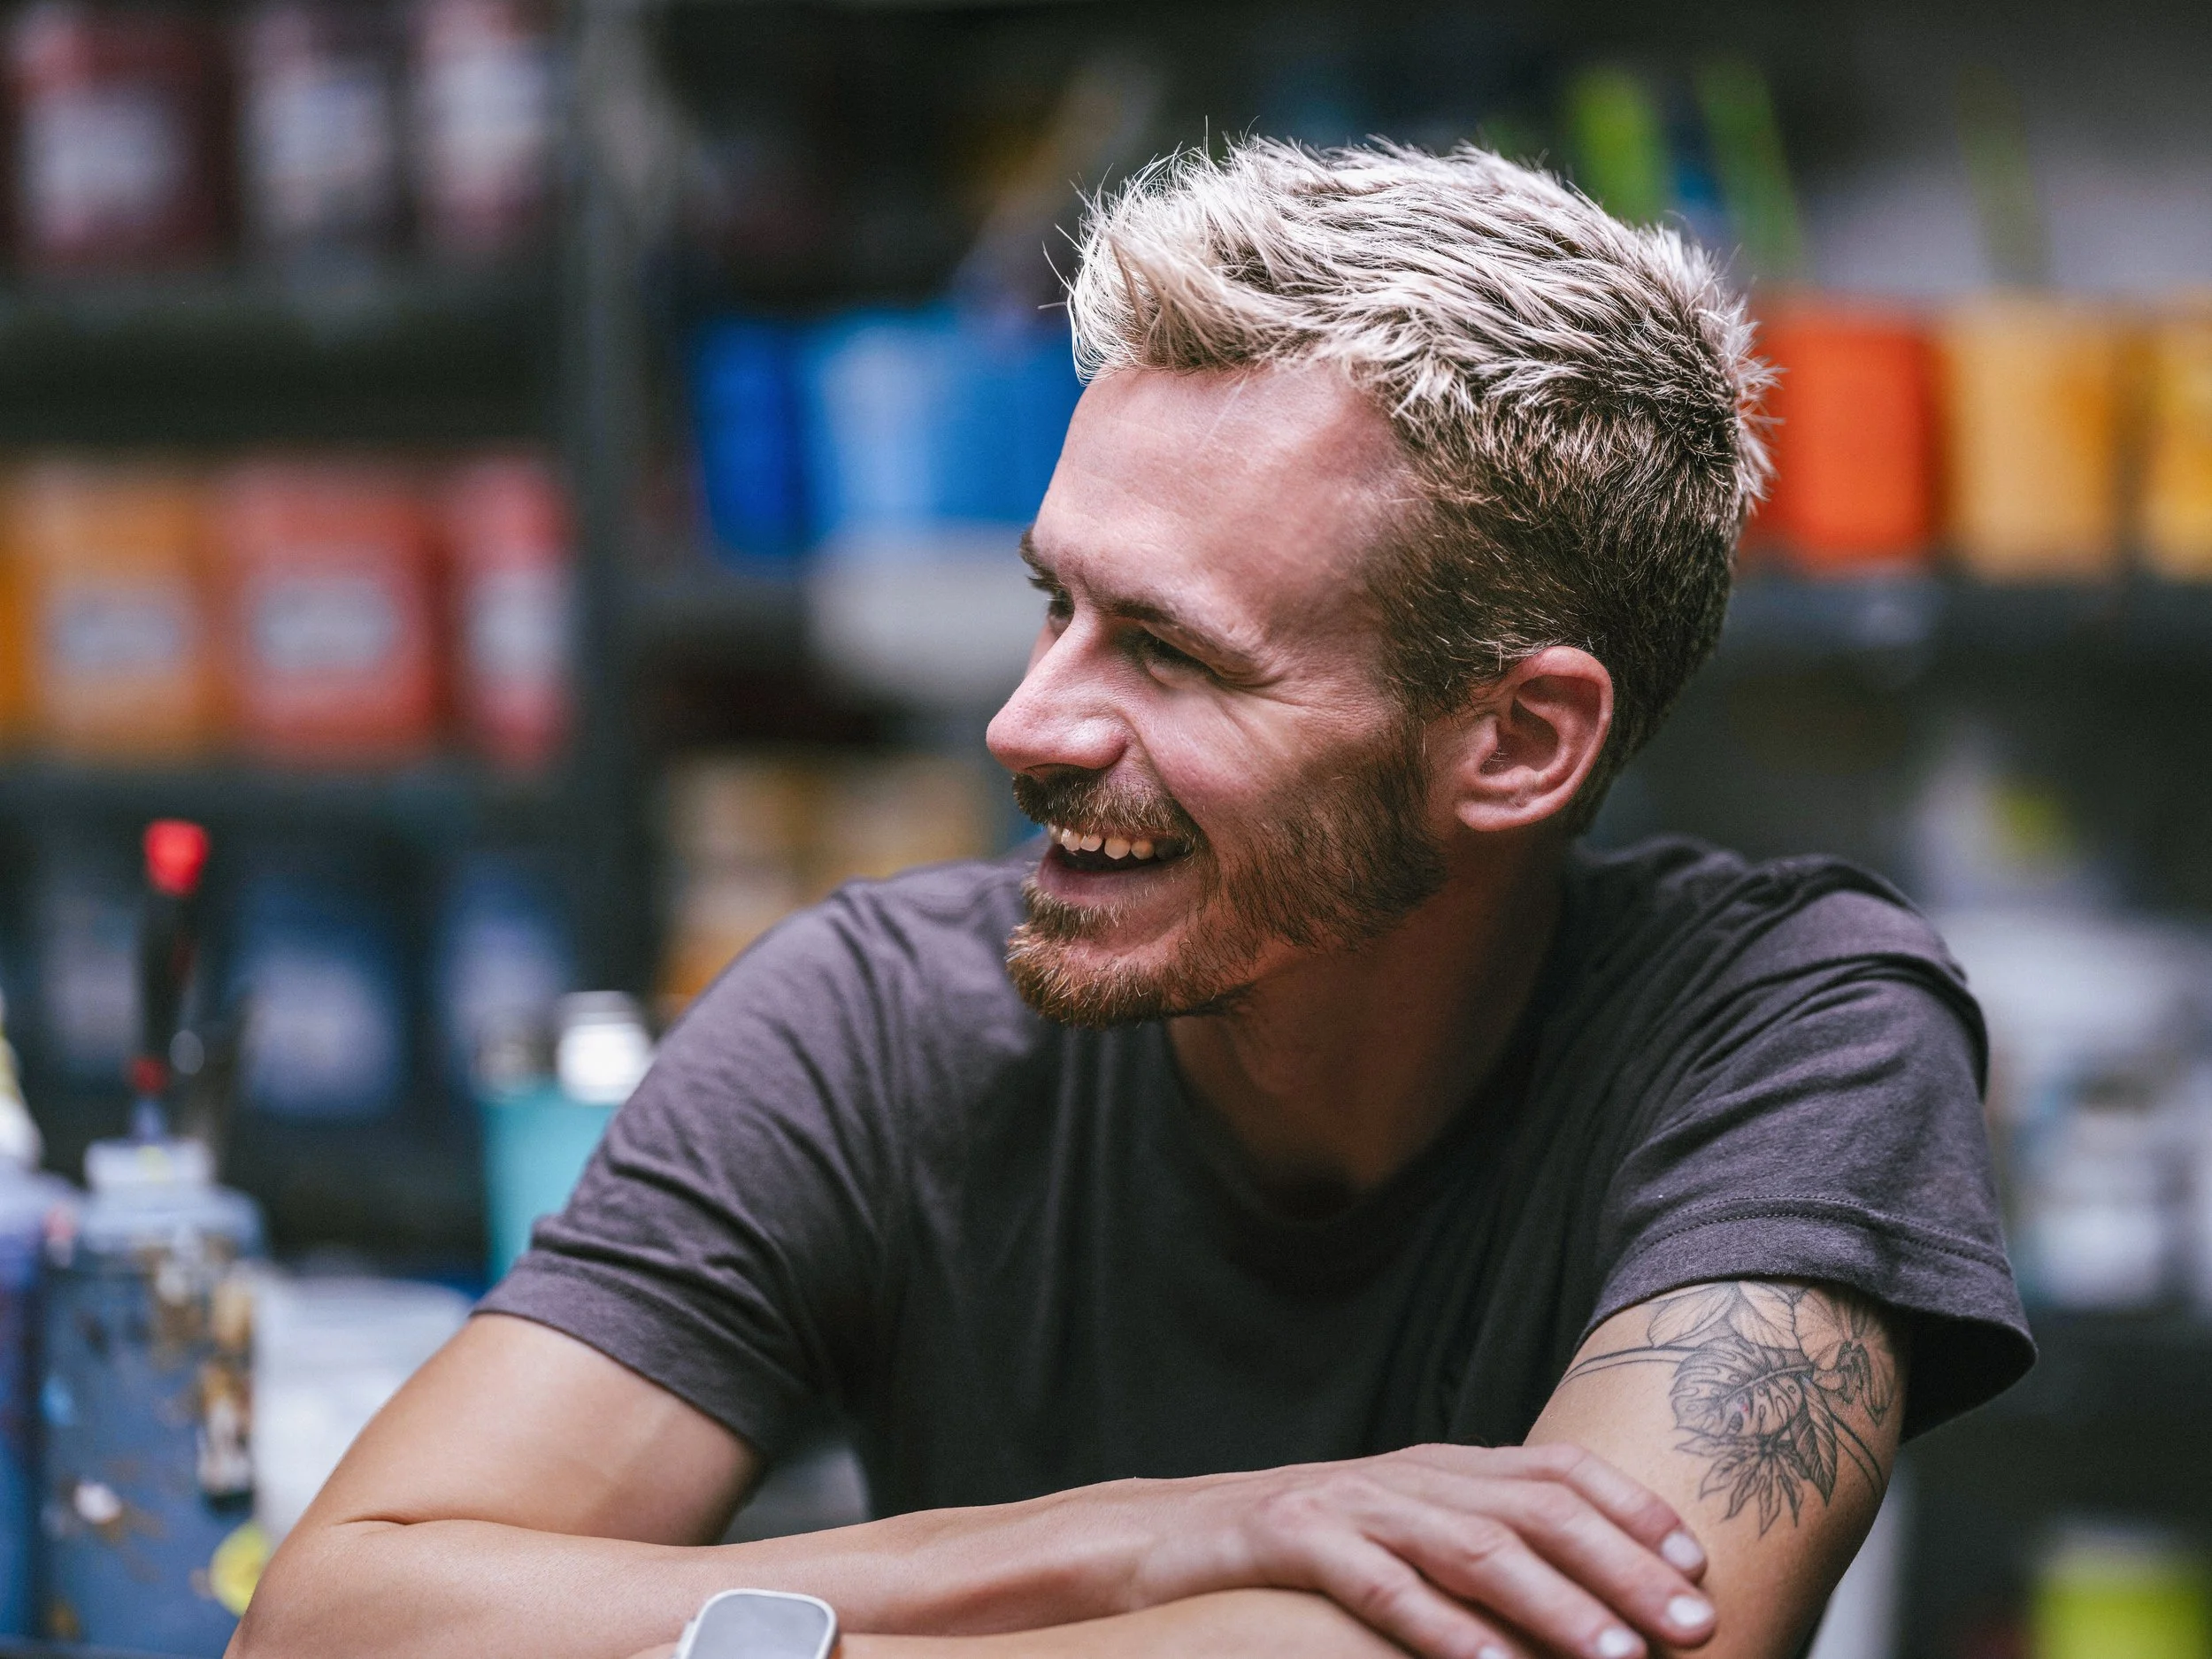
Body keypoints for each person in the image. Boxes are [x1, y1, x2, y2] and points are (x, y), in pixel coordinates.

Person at [234, 141, 2031, 1659]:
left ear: (1513, 740)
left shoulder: (1791, 1029)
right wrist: (1144, 1537)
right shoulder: (872, 1017)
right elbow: (338, 1619)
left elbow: (1603, 1640)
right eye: (1056, 605)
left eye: (1169, 652)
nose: (1025, 724)